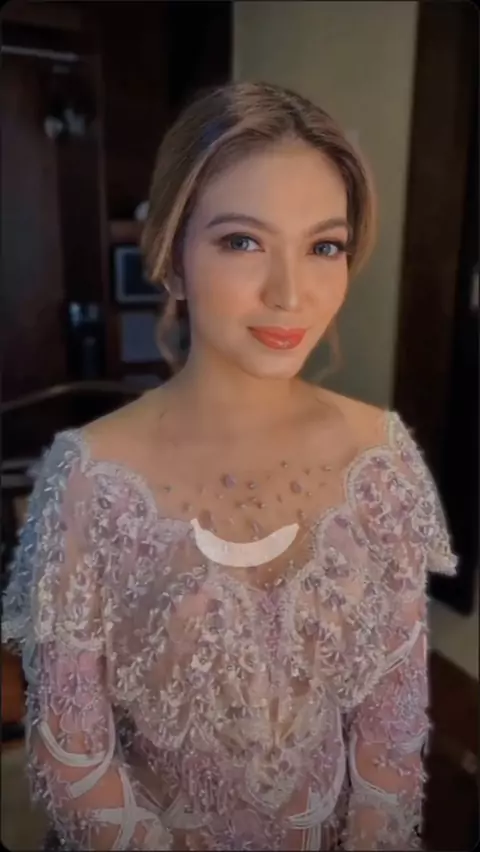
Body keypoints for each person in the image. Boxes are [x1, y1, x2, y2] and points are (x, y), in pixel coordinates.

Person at [3, 82, 457, 852]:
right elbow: (72, 754)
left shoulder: (382, 458)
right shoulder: (90, 477)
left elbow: (393, 715)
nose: (290, 294)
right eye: (243, 241)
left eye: (324, 246)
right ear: (173, 255)